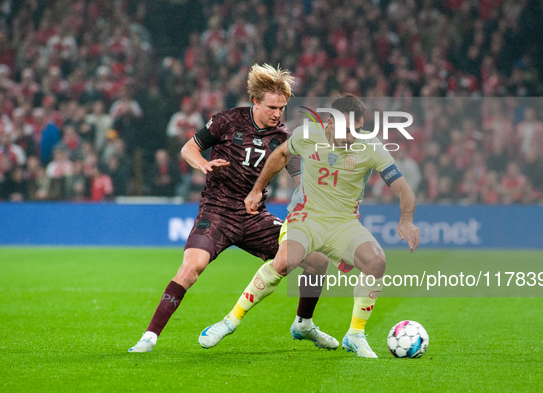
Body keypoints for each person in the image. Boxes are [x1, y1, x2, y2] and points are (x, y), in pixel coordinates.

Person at [129, 64, 336, 353]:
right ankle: (148, 338)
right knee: (191, 268)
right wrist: (203, 164)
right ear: (255, 101)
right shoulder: (226, 121)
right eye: (272, 107)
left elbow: (301, 177)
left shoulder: (284, 138)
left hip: (254, 217)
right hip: (217, 212)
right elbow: (188, 148)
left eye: (282, 107)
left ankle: (303, 324)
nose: (277, 113)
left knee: (318, 261)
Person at [201, 94, 420, 358]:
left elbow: (404, 189)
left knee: (376, 262)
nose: (352, 136)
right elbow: (280, 154)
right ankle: (230, 321)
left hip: (344, 224)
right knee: (284, 262)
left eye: (358, 130)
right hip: (306, 217)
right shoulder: (308, 135)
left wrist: (406, 220)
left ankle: (355, 335)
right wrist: (257, 189)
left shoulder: (370, 147)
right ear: (329, 122)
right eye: (347, 129)